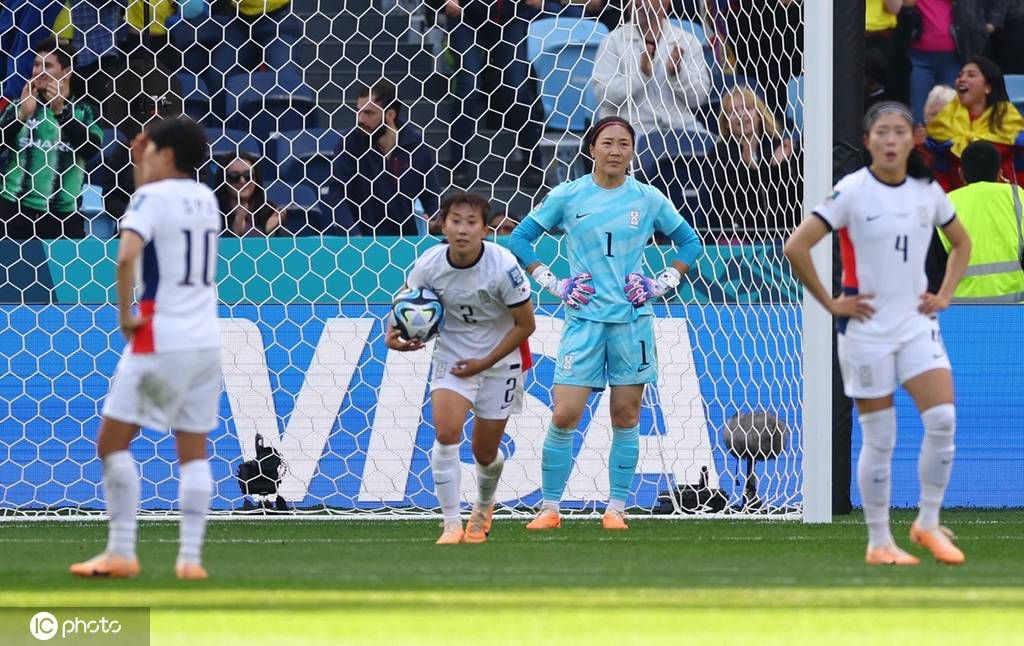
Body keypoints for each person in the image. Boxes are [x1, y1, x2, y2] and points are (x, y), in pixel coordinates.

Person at [784, 101, 971, 566]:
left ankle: (927, 523)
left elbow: (962, 243)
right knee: (880, 435)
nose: (890, 140)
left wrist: (944, 293)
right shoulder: (851, 190)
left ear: (913, 140)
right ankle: (879, 542)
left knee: (943, 420)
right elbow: (796, 246)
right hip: (865, 329)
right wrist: (830, 302)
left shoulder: (929, 191)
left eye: (899, 132)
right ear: (868, 142)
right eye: (882, 132)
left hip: (915, 324)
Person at [508, 116, 702, 530]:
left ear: (632, 152)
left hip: (633, 321)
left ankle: (615, 508)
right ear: (591, 148)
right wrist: (553, 282)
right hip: (583, 321)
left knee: (626, 415)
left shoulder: (648, 199)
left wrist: (662, 281)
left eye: (624, 144)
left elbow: (690, 242)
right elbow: (519, 238)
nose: (615, 150)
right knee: (565, 414)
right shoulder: (569, 194)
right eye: (607, 142)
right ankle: (549, 509)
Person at [69, 116, 220, 580]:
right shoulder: (207, 199)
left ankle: (120, 552)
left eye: (148, 149)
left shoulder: (150, 198)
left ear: (167, 154)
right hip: (206, 340)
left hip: (160, 336)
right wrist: (143, 155)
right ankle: (191, 561)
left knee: (112, 443)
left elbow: (127, 253)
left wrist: (124, 314)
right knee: (193, 451)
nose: (142, 158)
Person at [386, 191, 536, 544]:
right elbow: (406, 299)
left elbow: (525, 325)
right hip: (452, 356)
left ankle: (483, 506)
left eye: (472, 223)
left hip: (500, 362)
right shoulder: (429, 263)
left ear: (486, 229)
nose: (463, 229)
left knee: (484, 453)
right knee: (446, 432)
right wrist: (393, 333)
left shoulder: (503, 266)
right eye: (456, 221)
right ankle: (451, 523)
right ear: (442, 224)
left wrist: (484, 363)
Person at [0, 38, 101, 239]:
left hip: (63, 218)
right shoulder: (18, 106)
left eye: (47, 65)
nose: (39, 71)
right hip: (13, 212)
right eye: (36, 65)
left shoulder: (84, 110)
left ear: (67, 72)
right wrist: (21, 117)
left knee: (69, 271)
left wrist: (61, 112)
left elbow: (91, 150)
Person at [328, 81, 442, 235]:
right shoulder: (349, 143)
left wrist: (433, 220)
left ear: (390, 115)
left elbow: (432, 196)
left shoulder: (417, 147)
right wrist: (353, 234)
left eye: (368, 113)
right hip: (362, 243)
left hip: (408, 243)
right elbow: (337, 193)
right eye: (358, 111)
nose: (360, 119)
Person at [591, 0, 711, 137]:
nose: (636, 3)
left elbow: (699, 98)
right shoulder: (612, 42)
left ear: (665, 4)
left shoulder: (687, 41)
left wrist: (677, 74)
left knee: (711, 149)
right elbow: (604, 95)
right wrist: (640, 75)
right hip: (631, 130)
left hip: (681, 127)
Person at [927, 140, 1024, 301]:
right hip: (1015, 316)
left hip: (961, 316)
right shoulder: (1018, 198)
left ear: (961, 174)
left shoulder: (944, 205)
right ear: (999, 173)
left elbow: (933, 274)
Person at [708, 85, 801, 242]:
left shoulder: (778, 146)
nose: (742, 114)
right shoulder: (720, 153)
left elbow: (793, 201)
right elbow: (722, 203)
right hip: (740, 237)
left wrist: (780, 167)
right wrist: (748, 169)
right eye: (733, 111)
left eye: (748, 108)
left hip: (783, 233)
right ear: (726, 123)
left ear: (759, 114)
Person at [926, 56, 1024, 192]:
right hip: (957, 203)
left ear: (988, 87)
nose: (962, 79)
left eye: (971, 75)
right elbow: (939, 173)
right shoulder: (945, 120)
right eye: (960, 75)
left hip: (1002, 200)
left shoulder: (1008, 118)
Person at [214, 153, 286, 237]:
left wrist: (267, 231)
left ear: (256, 179)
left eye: (248, 176)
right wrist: (234, 233)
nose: (242, 181)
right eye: (234, 177)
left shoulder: (270, 212)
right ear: (224, 180)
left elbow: (286, 247)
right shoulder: (213, 212)